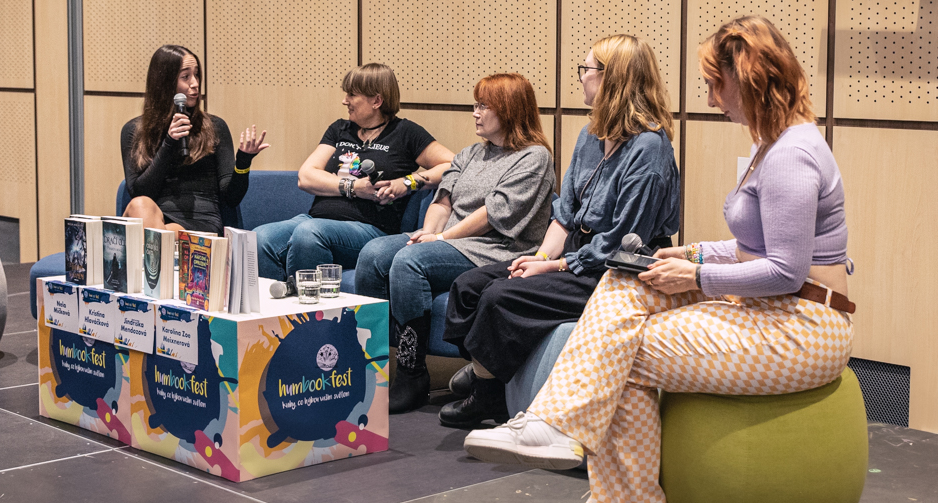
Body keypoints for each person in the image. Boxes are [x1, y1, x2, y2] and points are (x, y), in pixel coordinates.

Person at [464, 16, 855, 503]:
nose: (711, 98)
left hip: (802, 327)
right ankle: (568, 440)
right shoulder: (777, 144)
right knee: (626, 284)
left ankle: (610, 485)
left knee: (619, 348)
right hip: (773, 310)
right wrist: (690, 254)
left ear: (749, 79)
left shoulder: (791, 154)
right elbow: (753, 249)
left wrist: (696, 274)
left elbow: (785, 272)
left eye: (716, 83)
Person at [440, 35, 681, 429]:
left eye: (587, 69)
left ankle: (488, 394)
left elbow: (622, 241)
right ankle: (488, 367)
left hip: (615, 269)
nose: (581, 77)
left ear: (612, 78)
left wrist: (554, 268)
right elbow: (565, 212)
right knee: (468, 286)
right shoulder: (590, 136)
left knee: (500, 296)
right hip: (575, 254)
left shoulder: (649, 148)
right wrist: (538, 259)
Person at [355, 74, 557, 415]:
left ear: (509, 110)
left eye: (483, 106)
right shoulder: (470, 153)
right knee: (373, 255)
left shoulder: (533, 157)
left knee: (409, 262)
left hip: (494, 248)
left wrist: (439, 239)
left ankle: (412, 373)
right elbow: (443, 200)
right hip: (448, 240)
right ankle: (374, 366)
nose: (475, 113)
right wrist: (426, 234)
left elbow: (494, 215)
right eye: (475, 105)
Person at [254, 63, 455, 282]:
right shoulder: (340, 129)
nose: (345, 101)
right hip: (316, 219)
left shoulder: (405, 133)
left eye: (352, 94)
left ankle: (307, 302)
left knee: (309, 233)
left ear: (376, 101)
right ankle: (281, 301)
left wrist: (408, 182)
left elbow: (452, 164)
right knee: (261, 238)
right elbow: (306, 176)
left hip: (370, 228)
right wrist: (354, 187)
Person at [121, 44, 268, 233]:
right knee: (140, 205)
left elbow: (231, 198)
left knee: (159, 234)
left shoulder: (214, 127)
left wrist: (243, 161)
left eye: (197, 75)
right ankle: (158, 246)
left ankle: (156, 248)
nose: (195, 83)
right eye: (185, 76)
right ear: (164, 82)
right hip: (155, 219)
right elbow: (139, 192)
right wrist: (169, 143)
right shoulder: (134, 132)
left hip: (201, 226)